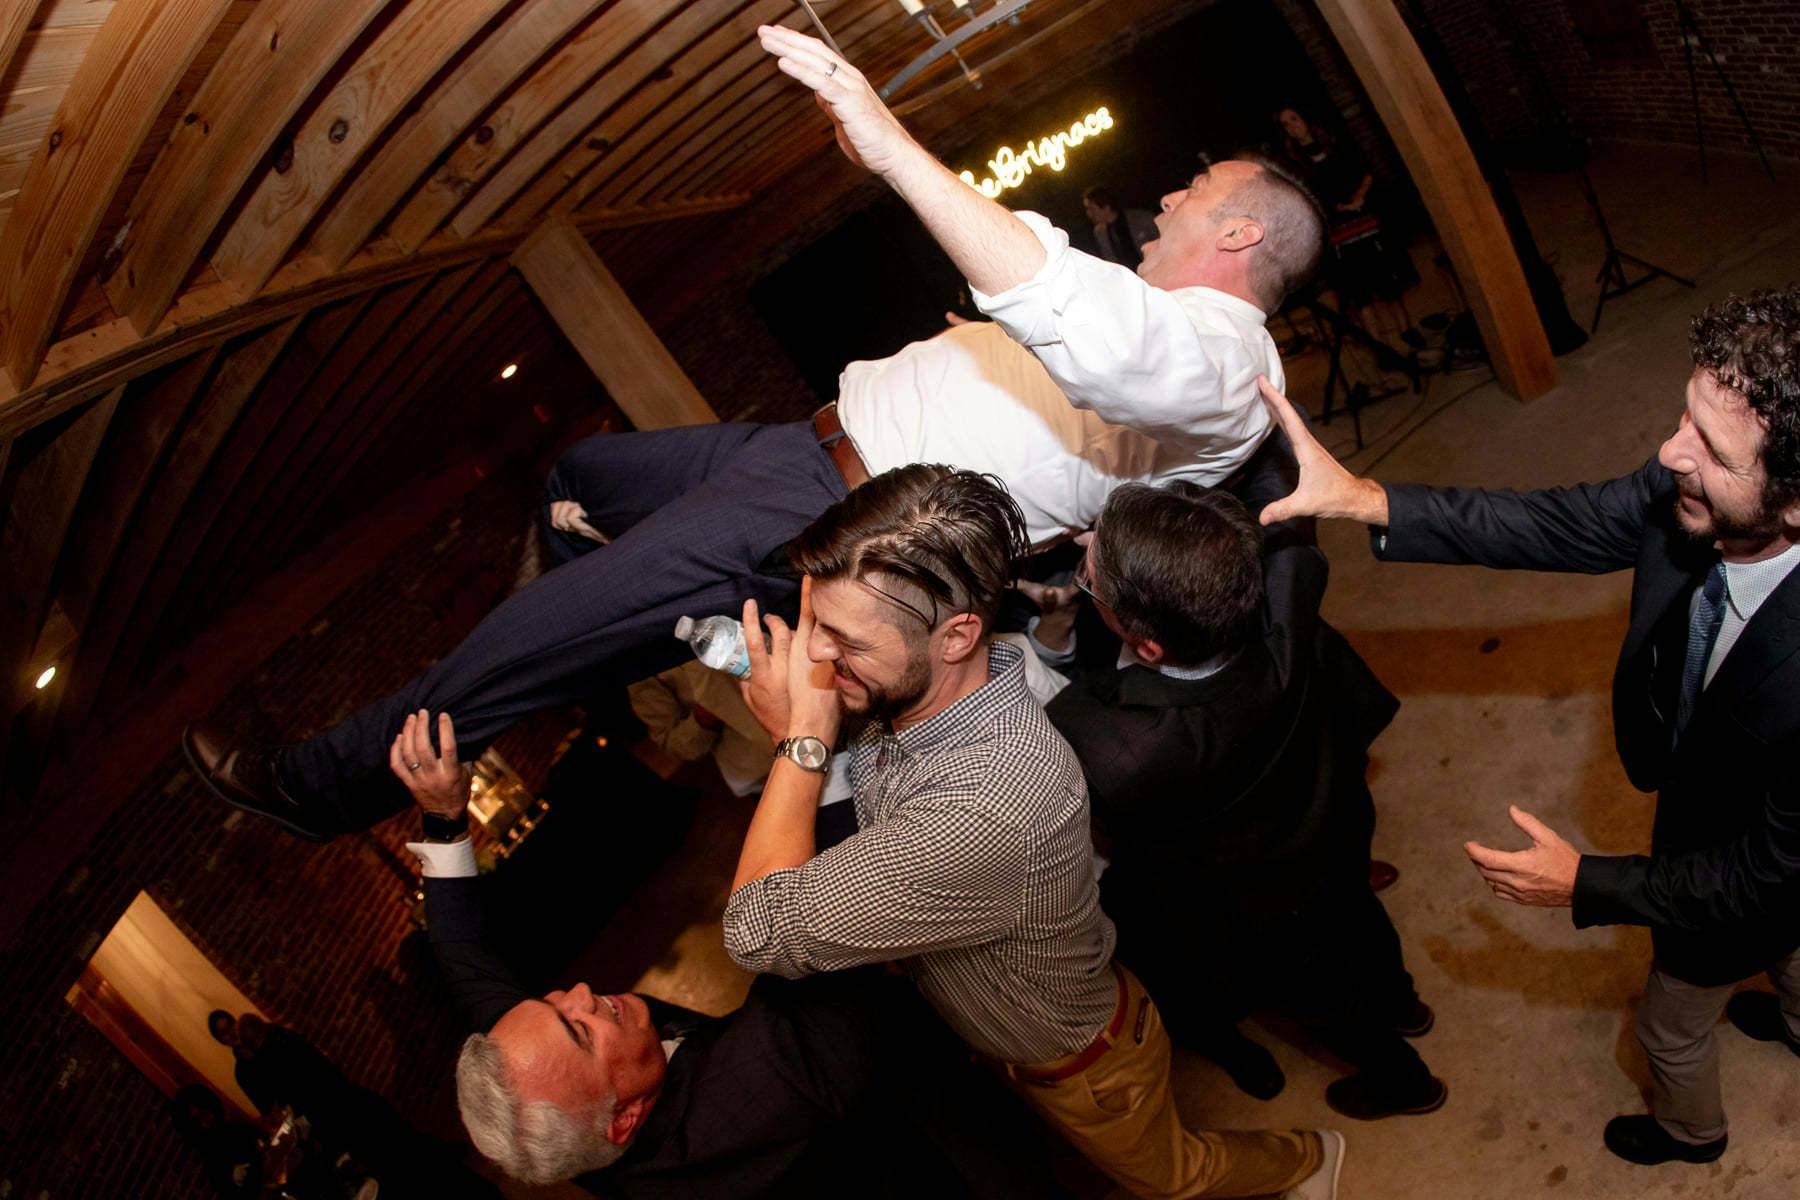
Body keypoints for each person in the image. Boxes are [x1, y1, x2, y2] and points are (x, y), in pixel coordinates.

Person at [182, 27, 1325, 848]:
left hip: (831, 521)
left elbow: (1098, 334)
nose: (1168, 199)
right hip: (789, 452)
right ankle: (609, 627)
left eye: (1193, 190)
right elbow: (1080, 344)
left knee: (524, 634)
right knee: (579, 474)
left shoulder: (1225, 363)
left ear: (1236, 229)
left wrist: (893, 148)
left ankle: (321, 782)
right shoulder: (1177, 335)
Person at [1254, 286, 1800, 1166]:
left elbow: (1755, 878)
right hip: (1750, 815)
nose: (1669, 453)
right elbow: (1564, 521)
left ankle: (1690, 1132)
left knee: (1675, 1022)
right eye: (1684, 418)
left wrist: (1586, 882)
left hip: (1748, 858)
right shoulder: (1693, 488)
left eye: (1711, 450)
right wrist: (1367, 499)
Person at [719, 464, 1343, 1200]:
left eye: (844, 640)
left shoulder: (982, 813)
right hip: (1019, 1027)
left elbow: (755, 931)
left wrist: (801, 740)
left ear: (957, 637)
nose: (813, 656)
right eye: (814, 619)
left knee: (1173, 1179)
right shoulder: (958, 683)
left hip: (1083, 1067)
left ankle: (1308, 1156)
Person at [389, 708, 1071, 1197]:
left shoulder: (556, 1117)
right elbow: (826, 914)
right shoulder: (767, 1090)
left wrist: (445, 817)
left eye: (550, 1002)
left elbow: (466, 963)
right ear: (624, 1118)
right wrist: (808, 742)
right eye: (578, 1027)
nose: (578, 993)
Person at [1028, 480, 1443, 1118]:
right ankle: (1402, 1004)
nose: (1082, 552)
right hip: (1334, 822)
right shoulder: (1287, 586)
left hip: (1264, 900)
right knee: (1358, 915)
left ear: (1149, 648)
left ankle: (1407, 1083)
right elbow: (1282, 519)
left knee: (1321, 996)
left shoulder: (1114, 748)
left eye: (1090, 580)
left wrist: (1048, 634)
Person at [1082, 185, 1159, 269]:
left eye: (1091, 209)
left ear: (1106, 207)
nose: (1089, 214)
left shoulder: (1141, 219)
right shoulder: (1100, 232)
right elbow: (1110, 260)